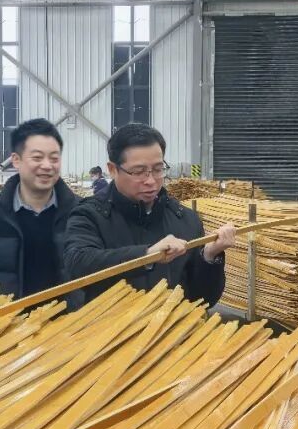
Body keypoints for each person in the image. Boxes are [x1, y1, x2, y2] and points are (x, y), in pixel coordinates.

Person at [64, 123, 236, 305]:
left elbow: (203, 300)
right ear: (113, 169)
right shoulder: (89, 215)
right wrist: (146, 255)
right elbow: (78, 264)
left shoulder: (185, 219)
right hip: (111, 323)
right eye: (139, 172)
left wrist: (209, 257)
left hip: (172, 323)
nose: (151, 181)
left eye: (158, 169)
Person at [0, 119, 80, 308]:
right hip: (8, 323)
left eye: (54, 158)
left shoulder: (81, 214)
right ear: (16, 160)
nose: (47, 166)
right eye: (37, 158)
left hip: (71, 322)